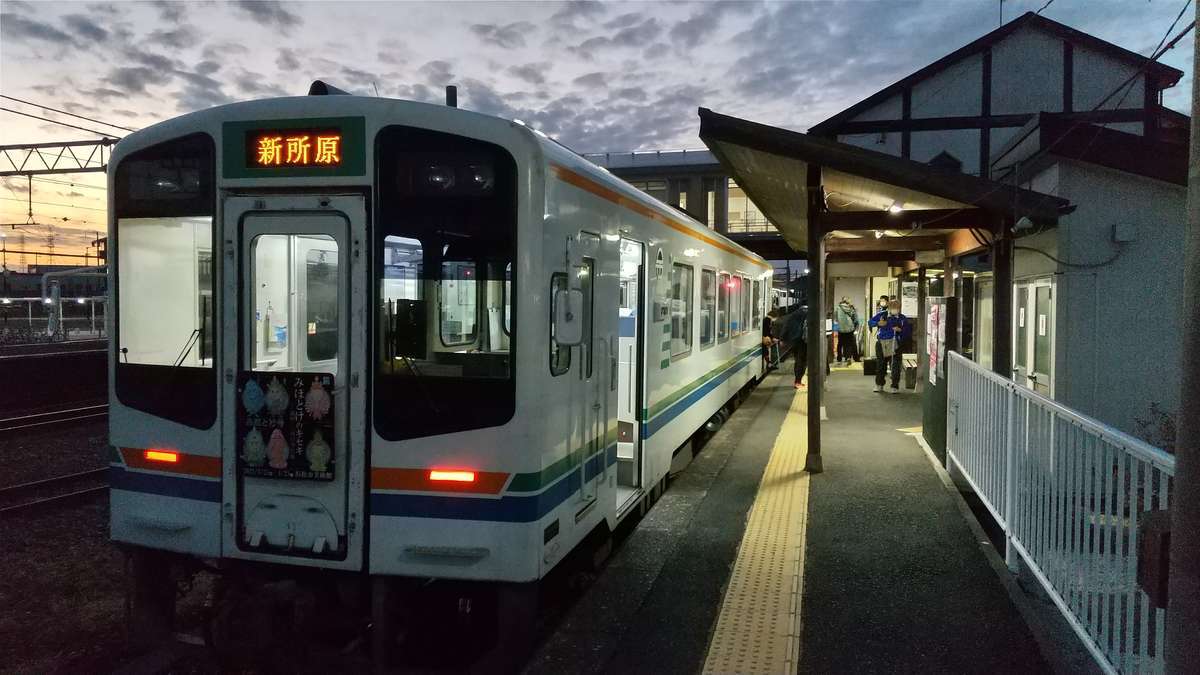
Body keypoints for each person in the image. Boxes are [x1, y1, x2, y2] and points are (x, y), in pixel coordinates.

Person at [869, 299, 907, 394]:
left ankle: (895, 386)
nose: (895, 309)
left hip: (895, 343)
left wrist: (900, 330)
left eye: (897, 308)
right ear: (889, 307)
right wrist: (878, 323)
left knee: (895, 366)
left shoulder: (902, 318)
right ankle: (879, 384)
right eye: (893, 307)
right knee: (880, 365)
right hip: (881, 343)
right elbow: (870, 322)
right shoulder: (883, 315)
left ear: (899, 308)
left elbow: (907, 332)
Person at [777, 305, 808, 389]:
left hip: (794, 340)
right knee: (803, 360)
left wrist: (782, 339)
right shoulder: (809, 314)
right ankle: (798, 381)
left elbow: (786, 327)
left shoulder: (793, 314)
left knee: (797, 359)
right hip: (805, 341)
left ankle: (797, 381)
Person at [834, 297, 860, 365]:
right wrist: (855, 326)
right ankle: (848, 357)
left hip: (841, 329)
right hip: (850, 329)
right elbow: (855, 319)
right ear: (847, 302)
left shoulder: (837, 308)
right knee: (849, 344)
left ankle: (839, 358)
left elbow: (835, 318)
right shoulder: (851, 308)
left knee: (840, 344)